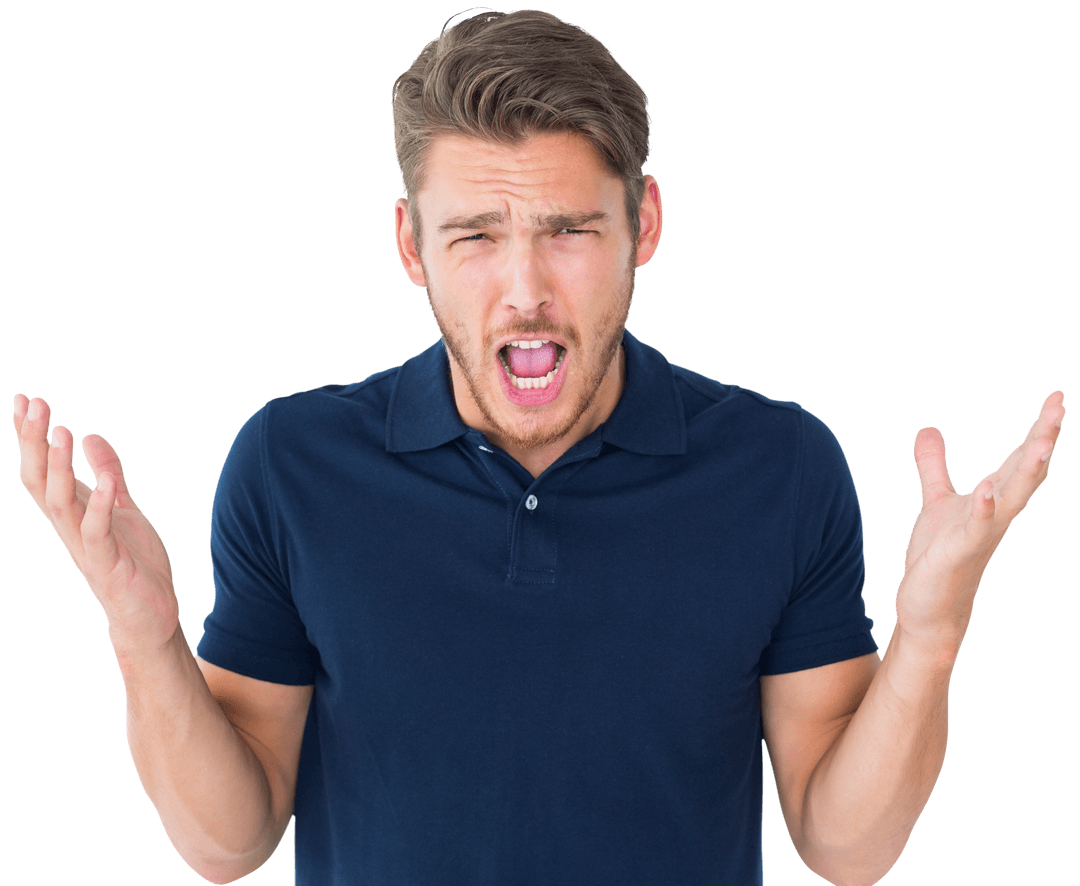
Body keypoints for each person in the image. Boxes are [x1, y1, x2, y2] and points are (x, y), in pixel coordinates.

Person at [11, 9, 1065, 886]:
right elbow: (228, 844)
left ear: (643, 224)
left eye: (569, 230)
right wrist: (145, 642)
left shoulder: (781, 469)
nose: (525, 290)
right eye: (475, 234)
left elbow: (845, 847)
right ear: (410, 244)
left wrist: (930, 637)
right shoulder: (291, 465)